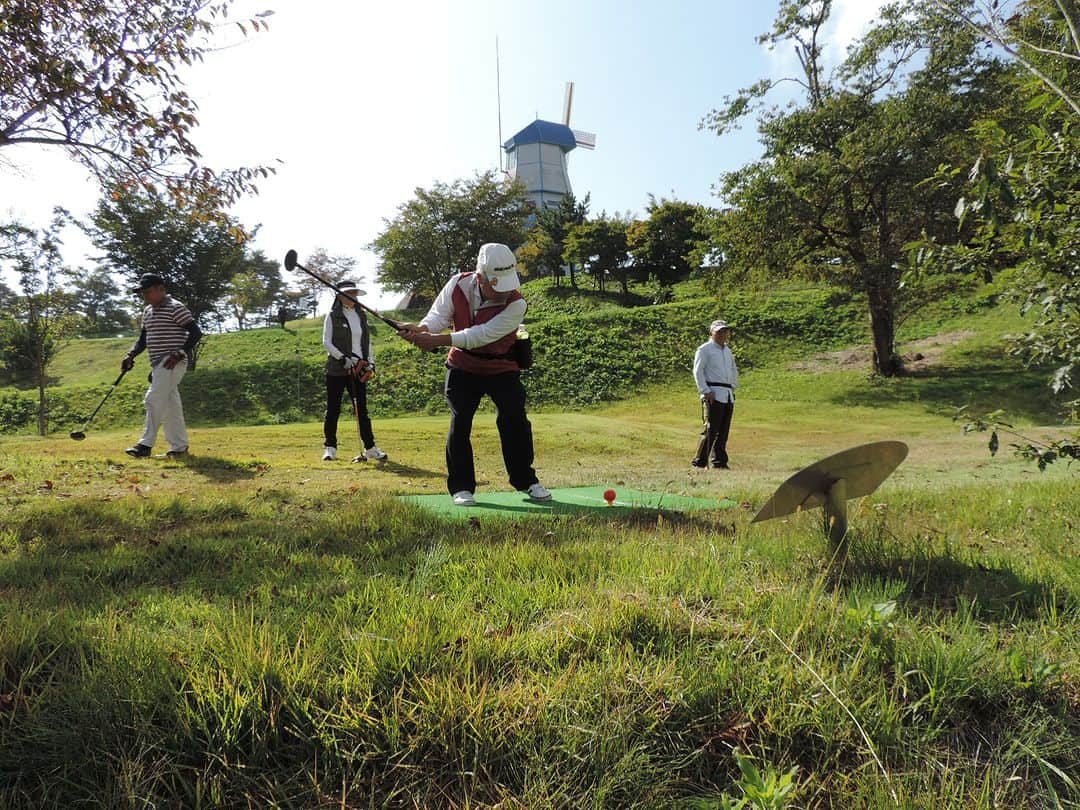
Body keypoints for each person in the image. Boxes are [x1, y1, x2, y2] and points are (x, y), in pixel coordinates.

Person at [397, 243, 551, 506]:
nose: (503, 291)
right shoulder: (457, 284)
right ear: (479, 278)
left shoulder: (517, 303)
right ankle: (461, 487)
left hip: (501, 367)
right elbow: (439, 316)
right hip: (463, 367)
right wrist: (422, 329)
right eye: (496, 284)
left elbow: (480, 336)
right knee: (461, 420)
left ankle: (525, 480)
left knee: (514, 420)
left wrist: (435, 340)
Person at [121, 273, 203, 458]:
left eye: (148, 292)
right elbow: (143, 339)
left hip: (172, 360)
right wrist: (131, 354)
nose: (145, 296)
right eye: (143, 293)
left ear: (161, 289)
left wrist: (179, 352)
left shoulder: (175, 308)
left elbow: (196, 333)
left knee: (153, 399)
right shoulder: (148, 311)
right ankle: (179, 448)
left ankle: (145, 445)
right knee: (169, 404)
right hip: (158, 363)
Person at [321, 280, 387, 462]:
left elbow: (366, 342)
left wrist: (371, 363)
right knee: (333, 409)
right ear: (340, 296)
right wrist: (342, 358)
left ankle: (370, 448)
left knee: (362, 410)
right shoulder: (333, 316)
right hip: (337, 369)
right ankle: (330, 448)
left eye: (355, 293)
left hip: (358, 368)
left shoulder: (361, 316)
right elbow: (327, 342)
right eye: (350, 293)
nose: (353, 297)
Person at [692, 319, 739, 469]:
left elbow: (732, 370)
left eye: (725, 331)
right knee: (711, 428)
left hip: (727, 393)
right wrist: (705, 390)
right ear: (711, 333)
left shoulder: (727, 351)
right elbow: (698, 371)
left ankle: (719, 461)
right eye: (719, 331)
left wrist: (732, 388)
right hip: (713, 392)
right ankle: (700, 460)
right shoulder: (704, 349)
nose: (723, 334)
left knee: (723, 430)